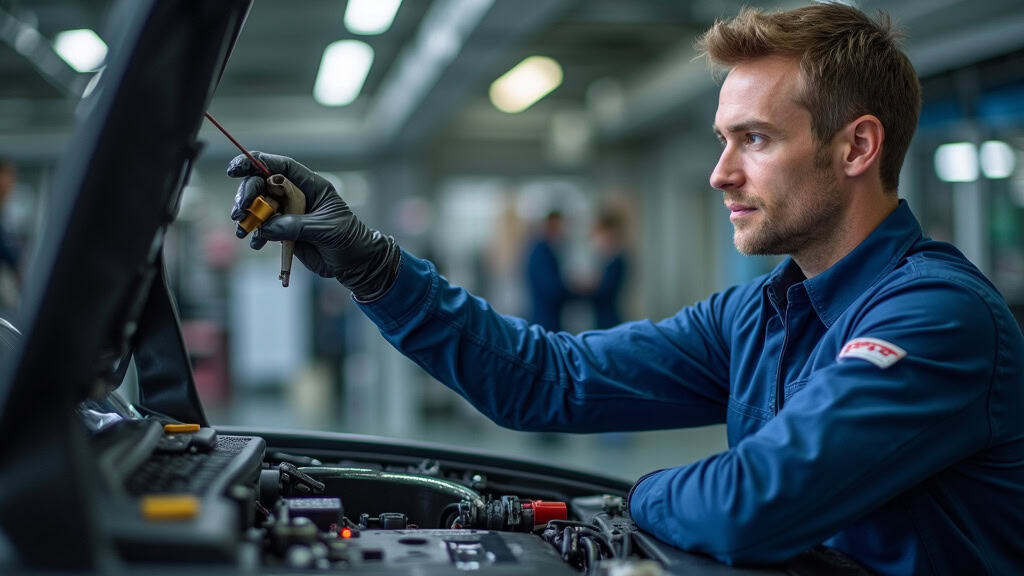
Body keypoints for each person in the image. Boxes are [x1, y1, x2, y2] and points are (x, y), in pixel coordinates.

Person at [227, 4, 1023, 574]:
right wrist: (373, 266)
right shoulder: (758, 312)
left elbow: (749, 505)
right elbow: (549, 380)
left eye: (754, 139)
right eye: (723, 140)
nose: (720, 174)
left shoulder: (936, 319)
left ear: (856, 147)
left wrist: (635, 498)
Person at [524, 210, 573, 332]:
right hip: (545, 319)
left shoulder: (548, 250)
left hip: (550, 317)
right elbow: (551, 289)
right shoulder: (542, 253)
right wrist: (577, 289)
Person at [589, 207, 627, 329]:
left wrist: (586, 287)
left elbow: (605, 291)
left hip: (609, 320)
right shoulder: (605, 260)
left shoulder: (616, 260)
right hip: (600, 318)